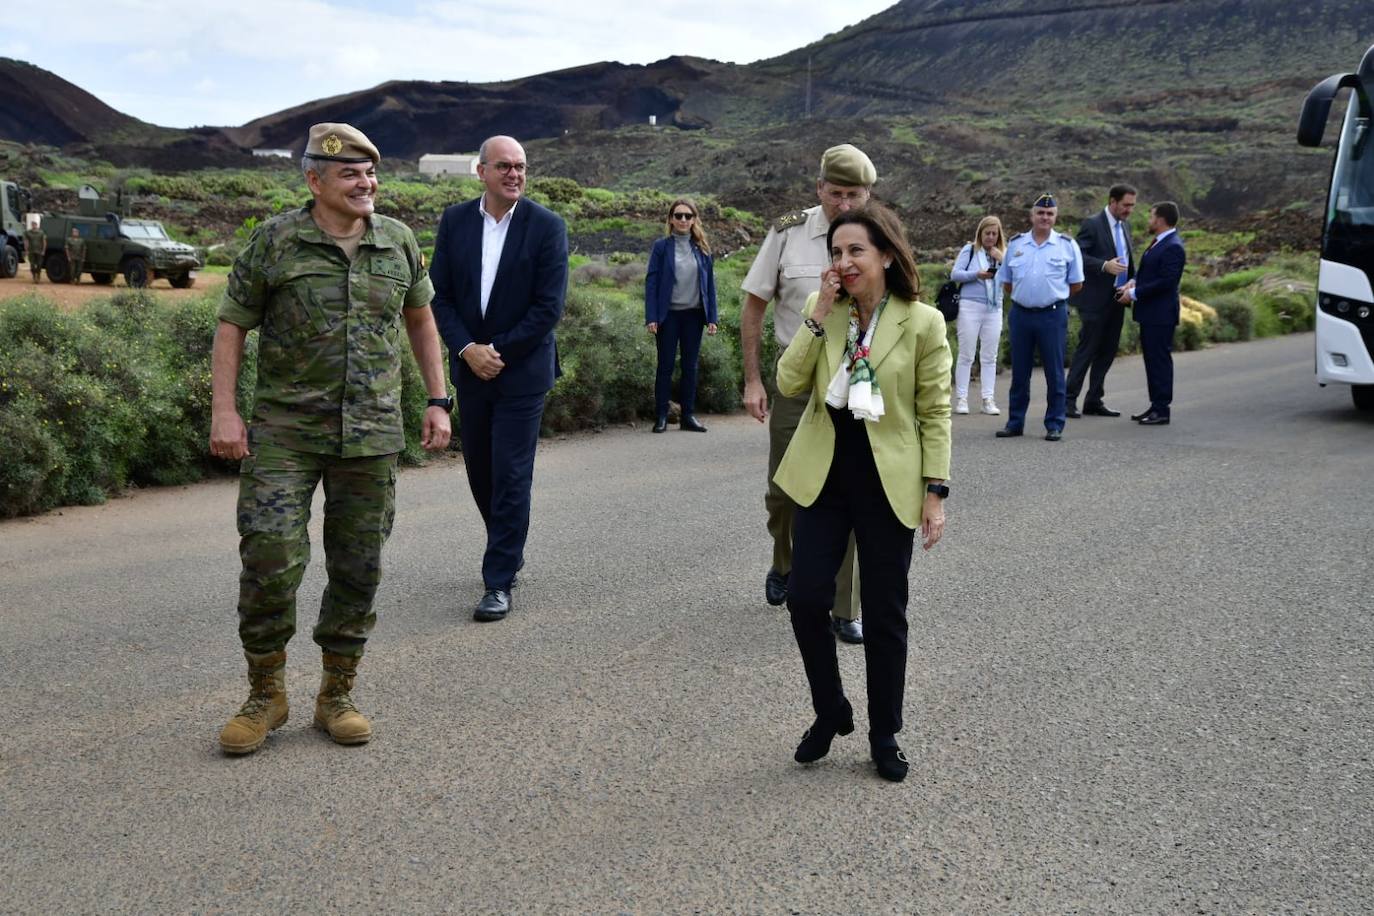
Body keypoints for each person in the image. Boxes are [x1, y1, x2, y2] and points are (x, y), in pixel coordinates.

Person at [209, 122, 452, 755]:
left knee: (359, 563)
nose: (366, 183)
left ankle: (336, 693)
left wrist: (436, 398)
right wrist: (224, 412)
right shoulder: (274, 242)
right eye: (350, 174)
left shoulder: (397, 241)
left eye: (371, 173)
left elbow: (421, 322)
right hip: (285, 431)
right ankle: (266, 693)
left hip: (370, 434)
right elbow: (232, 326)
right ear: (315, 180)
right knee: (268, 556)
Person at [773, 205, 951, 783]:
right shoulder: (823, 311)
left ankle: (884, 733)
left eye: (855, 252)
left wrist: (935, 491)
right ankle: (831, 710)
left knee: (883, 613)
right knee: (804, 599)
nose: (843, 263)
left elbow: (934, 412)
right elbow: (790, 382)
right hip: (824, 476)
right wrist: (819, 313)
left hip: (887, 481)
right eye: (836, 253)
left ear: (885, 257)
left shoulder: (922, 322)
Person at [429, 135, 569, 623]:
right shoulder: (454, 222)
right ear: (481, 171)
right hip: (471, 368)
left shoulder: (547, 226)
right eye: (505, 166)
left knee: (511, 475)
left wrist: (498, 351)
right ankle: (508, 544)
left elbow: (548, 307)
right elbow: (439, 296)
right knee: (481, 472)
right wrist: (468, 350)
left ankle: (498, 580)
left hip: (522, 372)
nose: (515, 174)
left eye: (522, 167)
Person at [740, 143, 873, 644]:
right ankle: (785, 560)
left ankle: (845, 607)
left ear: (867, 194)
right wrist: (754, 380)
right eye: (835, 193)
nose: (843, 203)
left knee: (854, 495)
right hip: (797, 379)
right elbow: (754, 306)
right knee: (785, 492)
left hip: (856, 381)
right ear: (819, 189)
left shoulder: (878, 238)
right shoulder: (788, 233)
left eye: (853, 194)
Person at [995, 193, 1084, 442]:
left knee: (1054, 372)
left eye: (1050, 213)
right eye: (1040, 213)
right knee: (1019, 372)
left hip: (1052, 316)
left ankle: (1054, 423)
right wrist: (1028, 298)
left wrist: (1052, 297)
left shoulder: (1066, 245)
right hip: (1021, 315)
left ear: (1055, 217)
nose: (1045, 217)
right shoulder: (1016, 244)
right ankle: (1015, 423)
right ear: (1031, 215)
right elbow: (1008, 282)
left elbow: (1076, 284)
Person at [644, 198, 719, 433]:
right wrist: (651, 316)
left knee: (690, 366)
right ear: (671, 219)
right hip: (668, 316)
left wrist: (712, 318)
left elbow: (710, 285)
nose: (683, 220)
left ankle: (688, 416)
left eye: (688, 216)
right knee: (665, 366)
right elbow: (652, 283)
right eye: (678, 216)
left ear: (694, 219)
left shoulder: (703, 249)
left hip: (694, 316)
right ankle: (662, 417)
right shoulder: (661, 247)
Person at [1066, 184, 1137, 418]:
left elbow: (1128, 258)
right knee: (1087, 350)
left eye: (1132, 206)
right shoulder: (1092, 224)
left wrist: (1132, 282)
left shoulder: (1125, 225)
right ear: (1113, 201)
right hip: (1094, 301)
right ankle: (1068, 400)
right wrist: (1104, 265)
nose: (1129, 210)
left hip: (1118, 298)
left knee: (1107, 352)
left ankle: (1094, 400)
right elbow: (1077, 256)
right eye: (1126, 205)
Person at [1121, 201, 1186, 426]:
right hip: (1151, 315)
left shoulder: (1173, 246)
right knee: (1152, 360)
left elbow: (1167, 282)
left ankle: (1162, 409)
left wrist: (1135, 293)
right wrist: (1132, 282)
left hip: (1161, 315)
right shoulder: (1160, 242)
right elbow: (1148, 272)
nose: (1148, 221)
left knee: (1159, 361)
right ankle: (1155, 405)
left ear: (1160, 220)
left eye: (1151, 217)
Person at [949, 215, 1006, 416]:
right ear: (980, 234)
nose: (990, 237)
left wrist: (1003, 260)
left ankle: (987, 399)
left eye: (994, 233)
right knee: (966, 354)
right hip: (970, 306)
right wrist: (976, 275)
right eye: (987, 233)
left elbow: (1014, 276)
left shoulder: (1002, 254)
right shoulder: (970, 250)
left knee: (990, 356)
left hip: (994, 307)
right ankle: (961, 398)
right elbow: (955, 274)